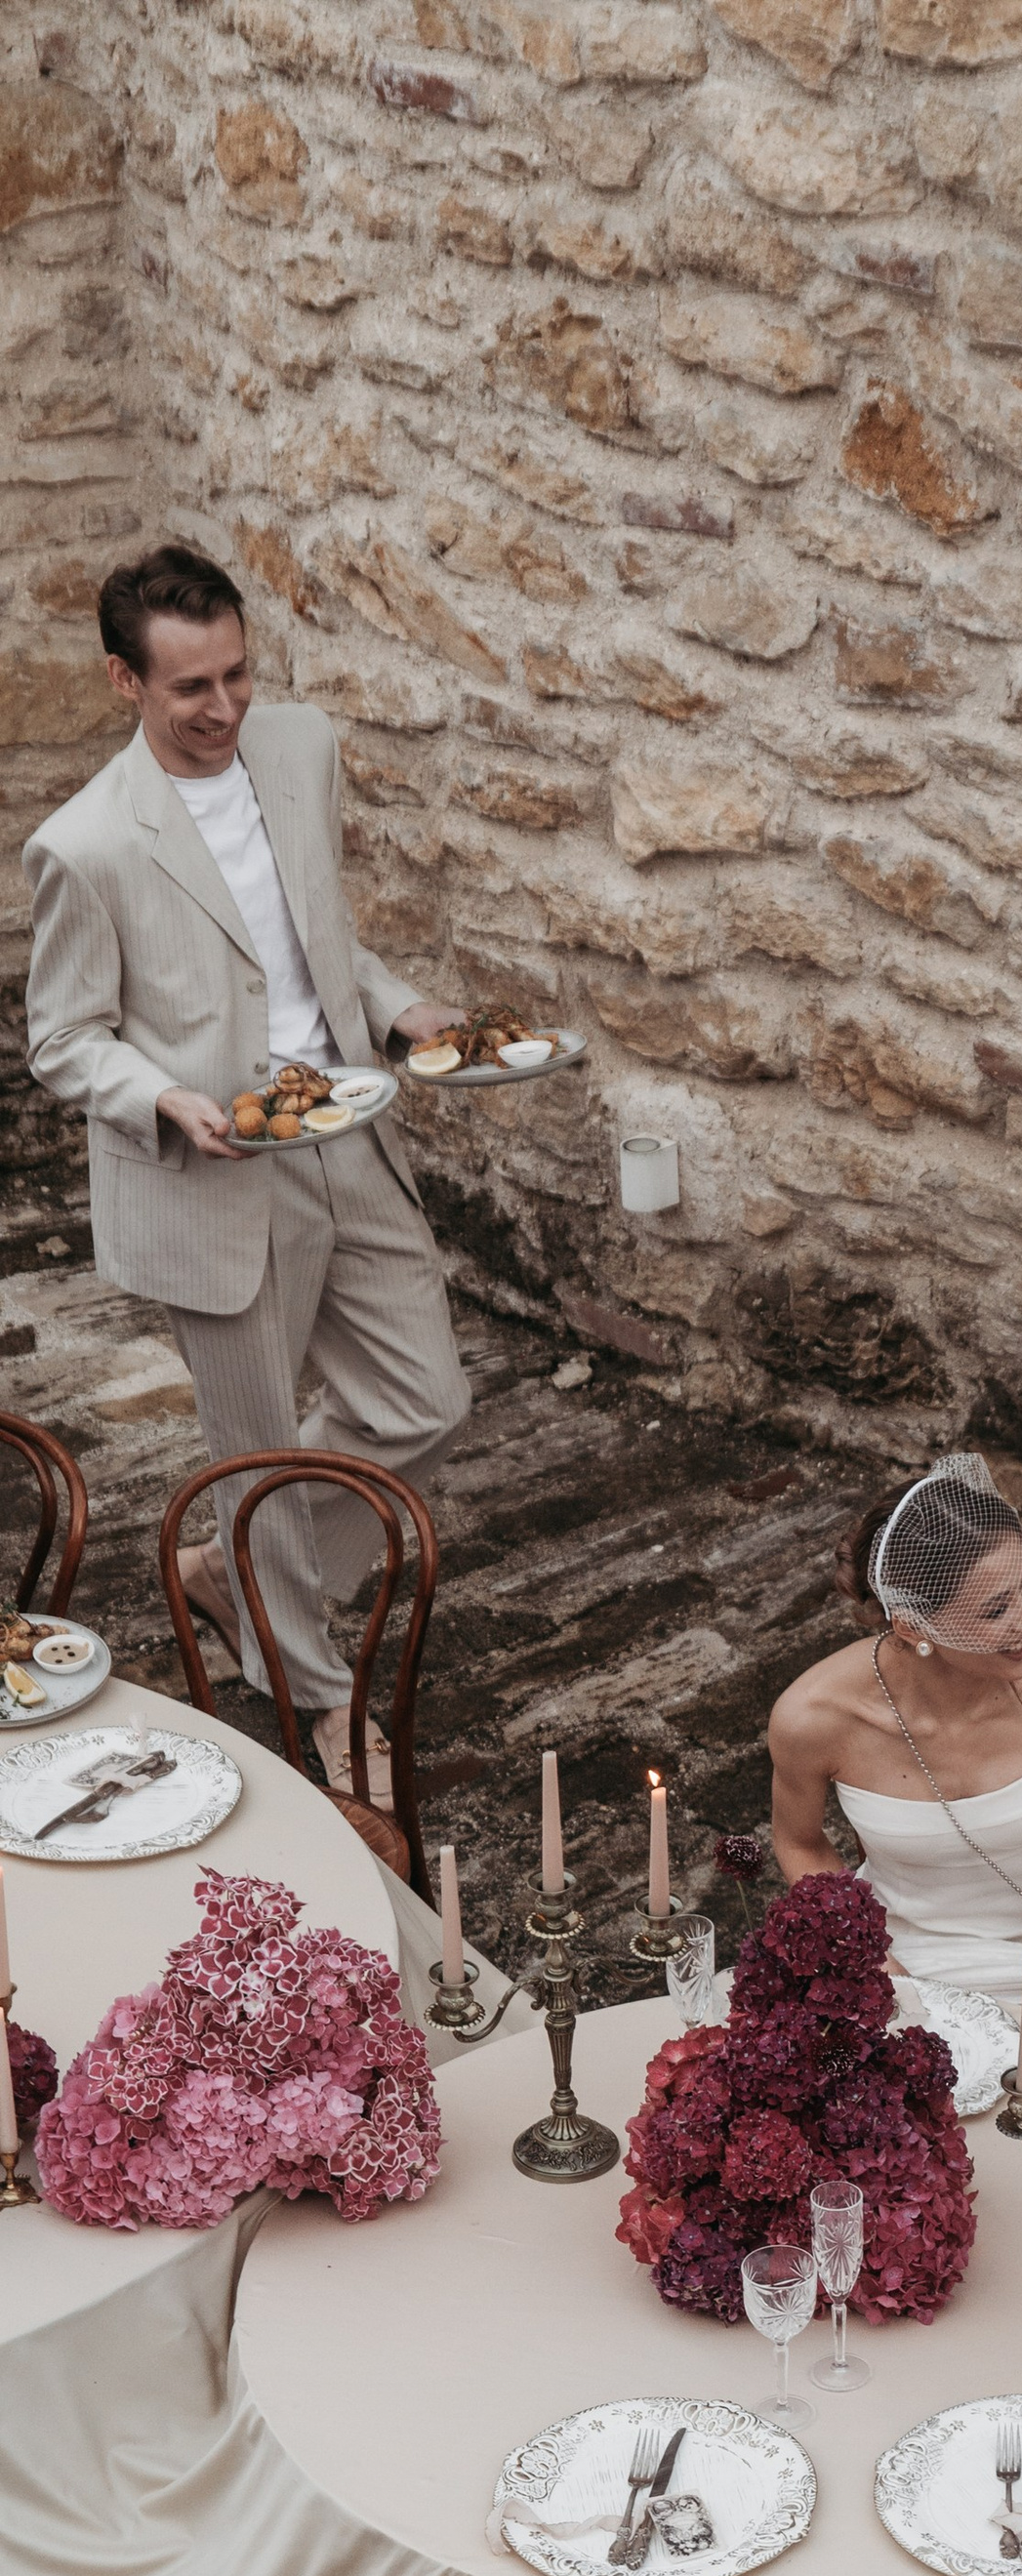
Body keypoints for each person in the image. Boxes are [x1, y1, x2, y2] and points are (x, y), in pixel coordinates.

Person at [21, 546, 470, 1795]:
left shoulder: (300, 745)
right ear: (124, 682)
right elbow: (62, 1038)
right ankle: (318, 1698)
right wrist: (160, 1097)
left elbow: (313, 935)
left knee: (426, 1401)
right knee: (260, 1451)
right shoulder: (84, 844)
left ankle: (234, 1570)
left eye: (236, 675)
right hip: (209, 1175)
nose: (223, 708)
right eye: (190, 688)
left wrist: (395, 1006)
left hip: (347, 1129)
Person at [767, 1454, 1022, 2011]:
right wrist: (883, 1974)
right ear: (913, 1624)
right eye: (995, 1611)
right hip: (898, 1962)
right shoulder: (812, 1717)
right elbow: (799, 1841)